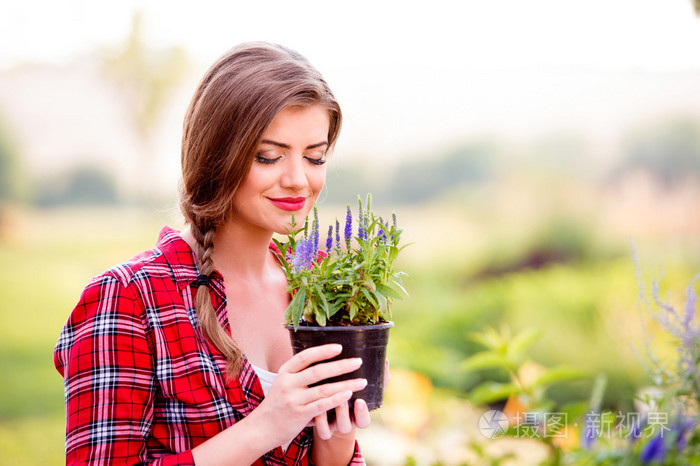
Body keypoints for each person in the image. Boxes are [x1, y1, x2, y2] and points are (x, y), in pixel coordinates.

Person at [54, 42, 377, 465]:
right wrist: (266, 425)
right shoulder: (128, 299)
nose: (299, 179)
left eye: (315, 157)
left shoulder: (321, 286)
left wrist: (341, 421)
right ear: (218, 154)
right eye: (269, 156)